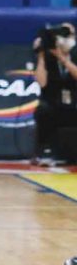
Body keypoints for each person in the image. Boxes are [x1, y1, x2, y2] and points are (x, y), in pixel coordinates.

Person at [32, 23, 77, 166]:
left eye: (67, 34)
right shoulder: (47, 57)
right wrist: (41, 56)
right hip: (54, 103)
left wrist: (64, 59)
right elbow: (42, 82)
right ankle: (45, 151)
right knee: (43, 109)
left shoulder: (75, 54)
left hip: (74, 103)